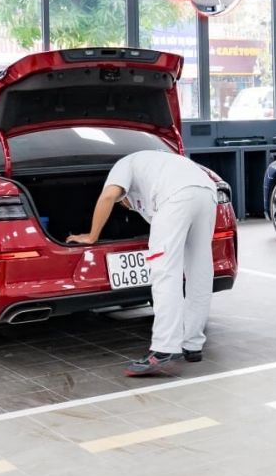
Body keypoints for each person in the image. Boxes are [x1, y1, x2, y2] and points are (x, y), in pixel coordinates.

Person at [68, 150, 220, 376]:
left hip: (177, 196)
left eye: (125, 203)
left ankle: (164, 348)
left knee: (164, 272)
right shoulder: (156, 162)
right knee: (200, 271)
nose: (129, 206)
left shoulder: (122, 164)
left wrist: (92, 236)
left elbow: (108, 197)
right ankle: (193, 344)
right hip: (207, 192)